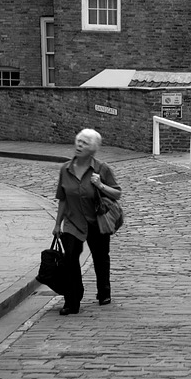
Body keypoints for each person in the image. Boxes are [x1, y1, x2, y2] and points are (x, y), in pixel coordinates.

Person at [53, 129, 122, 315]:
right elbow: (63, 199)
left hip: (96, 221)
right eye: (78, 141)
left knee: (100, 258)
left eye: (84, 143)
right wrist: (57, 224)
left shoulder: (102, 169)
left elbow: (117, 193)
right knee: (70, 260)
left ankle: (104, 292)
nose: (79, 145)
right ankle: (72, 300)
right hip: (72, 222)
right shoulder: (65, 169)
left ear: (92, 149)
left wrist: (100, 185)